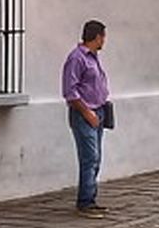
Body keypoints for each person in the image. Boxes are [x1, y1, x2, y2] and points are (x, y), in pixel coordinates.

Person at [62, 19, 110, 218]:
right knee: (89, 157)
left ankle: (91, 198)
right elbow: (70, 91)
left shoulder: (93, 57)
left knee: (96, 158)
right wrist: (87, 112)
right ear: (97, 37)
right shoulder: (77, 58)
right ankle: (85, 202)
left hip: (98, 111)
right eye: (103, 37)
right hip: (84, 114)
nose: (104, 41)